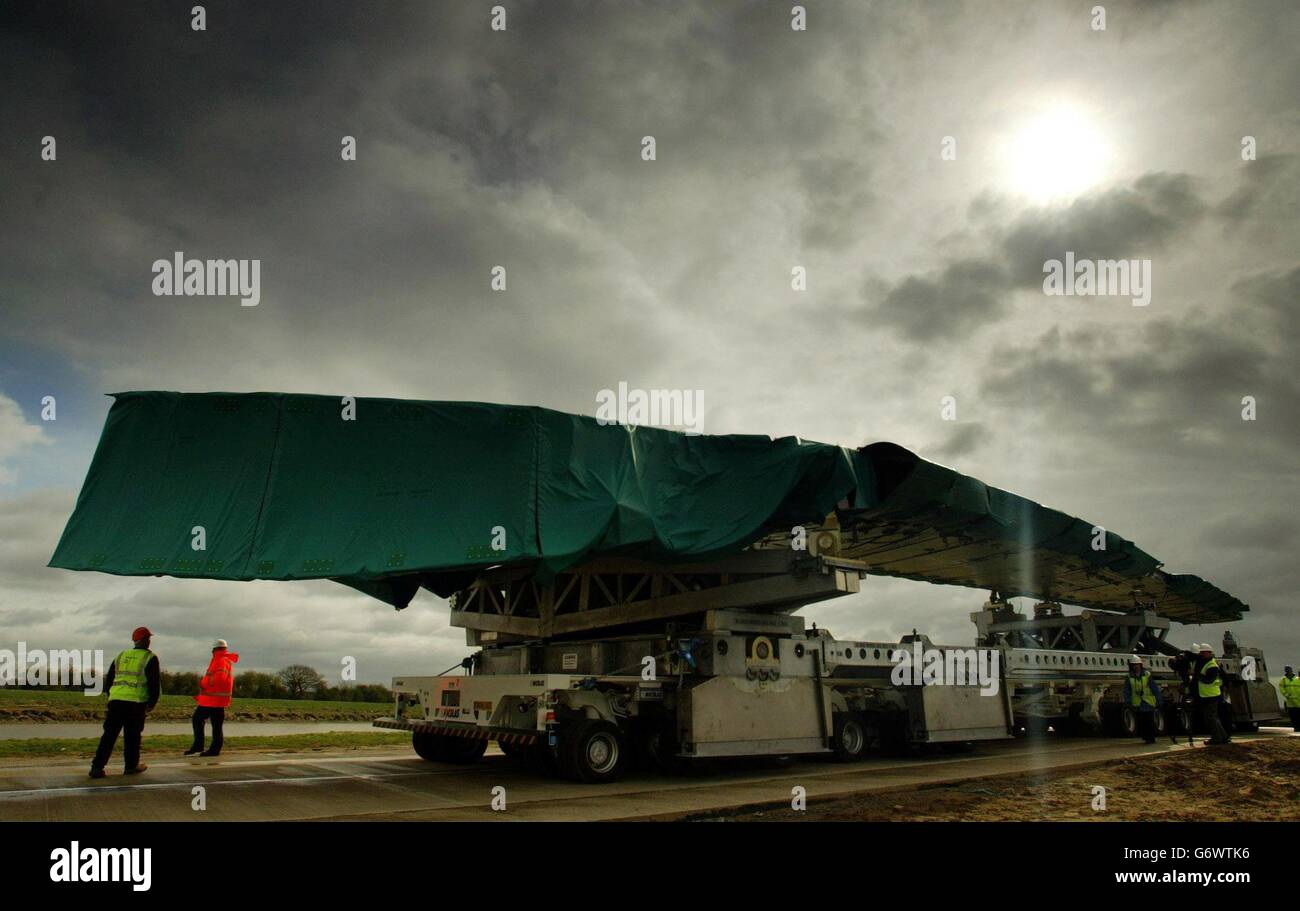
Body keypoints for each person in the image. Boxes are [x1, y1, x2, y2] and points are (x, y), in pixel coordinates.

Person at [90, 627, 160, 778]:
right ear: (146, 640)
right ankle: (130, 766)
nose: (149, 641)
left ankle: (96, 767)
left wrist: (111, 696)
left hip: (116, 702)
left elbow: (109, 680)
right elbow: (154, 684)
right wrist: (151, 703)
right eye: (148, 638)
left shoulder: (121, 655)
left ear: (134, 641)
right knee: (133, 737)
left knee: (109, 735)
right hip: (136, 703)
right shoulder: (150, 658)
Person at [187, 639, 239, 757]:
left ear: (215, 649)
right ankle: (212, 749)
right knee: (216, 725)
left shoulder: (220, 660)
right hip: (217, 700)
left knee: (197, 719)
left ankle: (201, 746)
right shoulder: (223, 660)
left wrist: (203, 683)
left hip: (212, 700)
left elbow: (218, 678)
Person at [1190, 643, 1231, 745]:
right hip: (1207, 695)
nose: (1202, 654)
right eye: (1201, 652)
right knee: (1213, 717)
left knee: (1211, 718)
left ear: (1209, 652)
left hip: (1211, 695)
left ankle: (1217, 738)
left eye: (1203, 652)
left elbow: (1209, 680)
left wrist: (1197, 675)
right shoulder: (1204, 662)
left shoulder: (1212, 665)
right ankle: (1223, 737)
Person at [1122, 654, 1162, 744]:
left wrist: (1159, 700)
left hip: (1148, 702)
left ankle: (1151, 738)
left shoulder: (1147, 675)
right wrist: (1127, 702)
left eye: (1137, 665)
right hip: (1138, 703)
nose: (1136, 667)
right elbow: (1127, 690)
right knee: (1142, 721)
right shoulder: (1129, 677)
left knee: (1149, 720)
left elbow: (1154, 688)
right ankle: (1146, 737)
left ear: (1140, 665)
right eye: (1134, 665)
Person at [1280, 665, 1300, 732]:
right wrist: (1287, 695)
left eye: (1289, 669)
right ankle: (1296, 728)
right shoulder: (1283, 680)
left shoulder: (1298, 679)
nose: (1288, 670)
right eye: (1286, 669)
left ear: (1292, 670)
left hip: (1298, 702)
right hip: (1290, 703)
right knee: (1293, 717)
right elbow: (1281, 688)